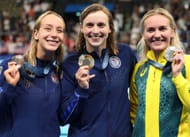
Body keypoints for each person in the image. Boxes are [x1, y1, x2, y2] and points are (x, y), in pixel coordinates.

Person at [60, 3, 137, 137]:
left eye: (101, 25)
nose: (95, 31)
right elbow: (64, 118)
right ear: (82, 29)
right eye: (90, 25)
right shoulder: (70, 64)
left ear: (110, 29)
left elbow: (139, 91)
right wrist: (80, 90)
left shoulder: (125, 54)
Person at [0, 10, 66, 137]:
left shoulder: (60, 73)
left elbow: (62, 118)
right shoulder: (10, 67)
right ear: (36, 34)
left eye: (59, 30)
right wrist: (9, 87)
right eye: (48, 28)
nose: (54, 34)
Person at [129, 8, 190, 137]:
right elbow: (135, 109)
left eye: (162, 29)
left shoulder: (187, 63)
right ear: (143, 35)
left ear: (173, 32)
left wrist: (178, 76)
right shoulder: (139, 69)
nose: (157, 35)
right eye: (150, 30)